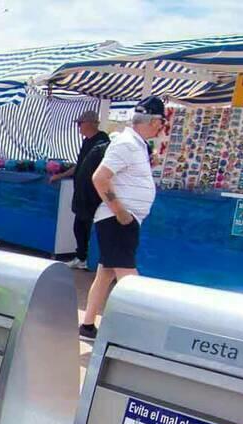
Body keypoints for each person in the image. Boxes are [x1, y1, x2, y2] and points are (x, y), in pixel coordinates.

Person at [79, 96, 166, 341]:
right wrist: (119, 211)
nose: (161, 126)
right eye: (160, 121)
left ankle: (87, 325)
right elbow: (100, 178)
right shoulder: (127, 143)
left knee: (105, 275)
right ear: (150, 120)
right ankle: (140, 332)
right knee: (129, 280)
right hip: (117, 220)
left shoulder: (134, 144)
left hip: (120, 220)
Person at [51, 110, 110, 269]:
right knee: (79, 225)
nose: (78, 127)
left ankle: (90, 259)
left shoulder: (103, 142)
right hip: (82, 191)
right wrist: (61, 175)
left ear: (90, 123)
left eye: (80, 123)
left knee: (91, 226)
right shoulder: (86, 142)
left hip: (94, 194)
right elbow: (79, 165)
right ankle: (81, 256)